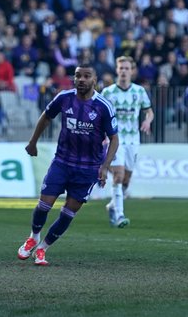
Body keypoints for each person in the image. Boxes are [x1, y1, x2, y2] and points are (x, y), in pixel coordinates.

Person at [17, 64, 119, 266]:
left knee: (69, 211)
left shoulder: (103, 106)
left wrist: (105, 166)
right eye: (78, 75)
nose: (81, 79)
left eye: (86, 76)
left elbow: (114, 139)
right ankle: (33, 237)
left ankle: (43, 249)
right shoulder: (64, 98)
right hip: (62, 162)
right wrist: (33, 142)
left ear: (94, 80)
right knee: (44, 204)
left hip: (88, 168)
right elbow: (46, 117)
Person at [101, 56, 154, 228]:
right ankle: (119, 215)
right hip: (115, 139)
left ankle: (112, 205)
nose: (123, 71)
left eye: (126, 68)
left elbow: (149, 112)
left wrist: (147, 121)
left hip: (133, 140)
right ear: (117, 70)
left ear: (132, 71)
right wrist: (102, 135)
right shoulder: (108, 92)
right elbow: (101, 117)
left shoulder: (139, 91)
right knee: (119, 174)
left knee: (126, 179)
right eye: (121, 68)